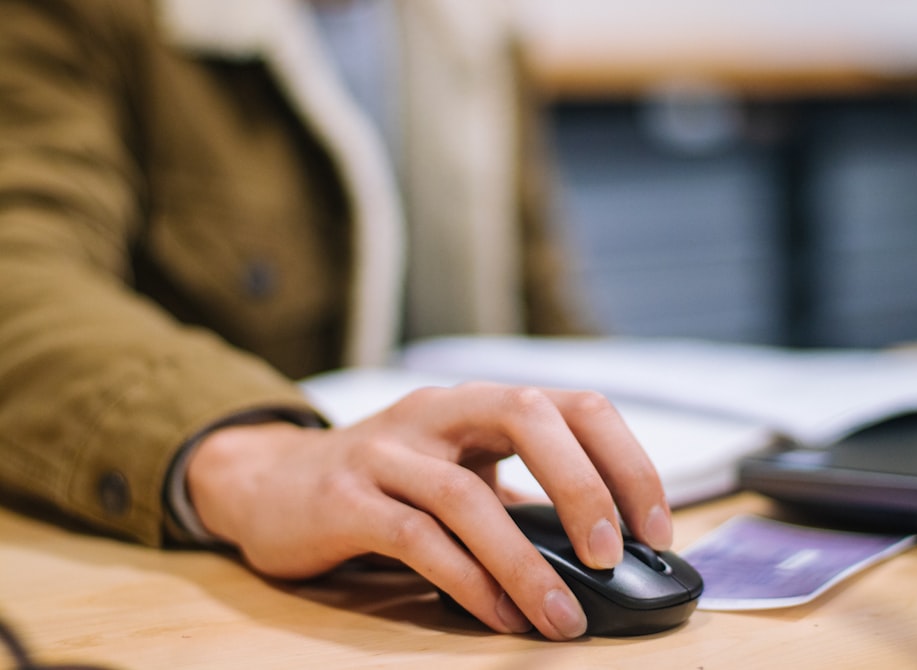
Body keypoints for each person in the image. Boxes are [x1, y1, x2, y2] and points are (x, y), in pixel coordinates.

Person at [0, 0, 674, 641]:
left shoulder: (472, 31)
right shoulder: (86, 17)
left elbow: (541, 308)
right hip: (229, 596)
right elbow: (20, 276)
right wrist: (259, 462)